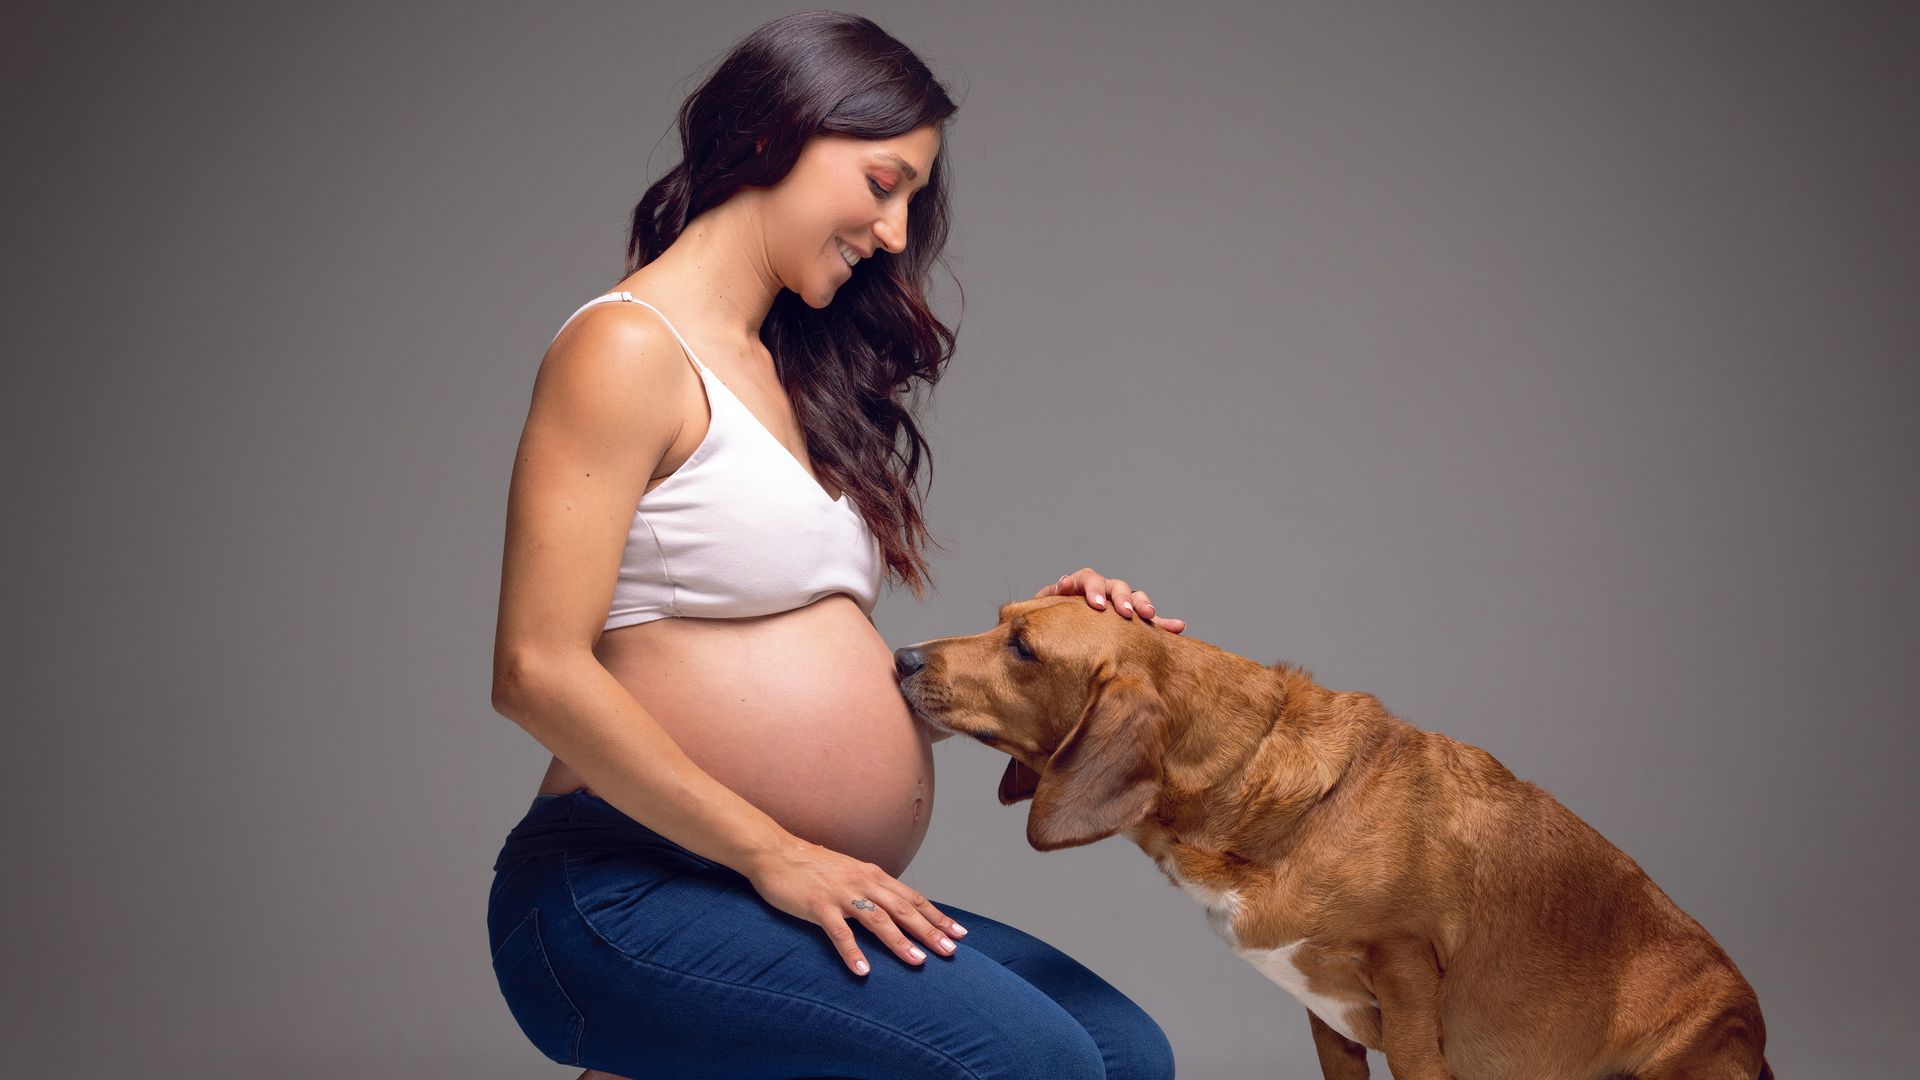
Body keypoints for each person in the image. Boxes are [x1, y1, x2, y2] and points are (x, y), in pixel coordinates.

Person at [487, 12, 1186, 1079]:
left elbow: (808, 677)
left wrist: (1048, 648)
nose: (897, 232)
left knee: (1121, 1053)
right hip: (626, 885)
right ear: (775, 136)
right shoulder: (627, 348)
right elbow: (536, 671)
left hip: (766, 889)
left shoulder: (781, 373)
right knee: (1038, 1067)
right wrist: (779, 854)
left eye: (912, 197)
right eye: (882, 182)